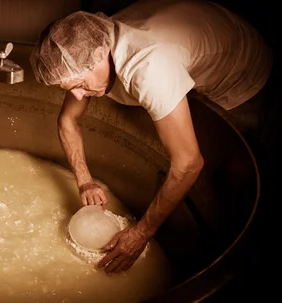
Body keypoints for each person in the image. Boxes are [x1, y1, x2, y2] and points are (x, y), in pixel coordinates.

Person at [29, 0, 272, 275]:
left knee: (235, 170)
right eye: (70, 88)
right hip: (187, 45)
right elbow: (67, 120)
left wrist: (140, 234)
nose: (77, 96)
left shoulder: (150, 68)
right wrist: (85, 181)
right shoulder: (89, 45)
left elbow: (189, 163)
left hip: (238, 69)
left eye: (81, 85)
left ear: (100, 53)